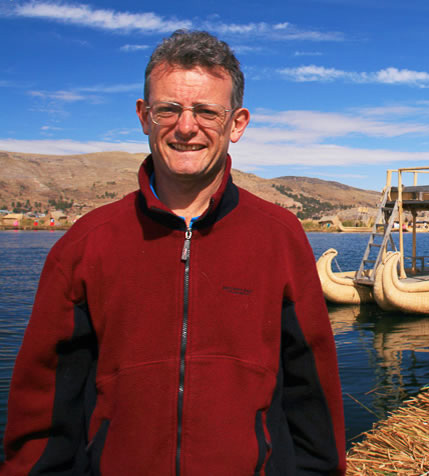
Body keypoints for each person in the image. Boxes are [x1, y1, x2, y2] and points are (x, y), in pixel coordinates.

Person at [2, 30, 345, 475]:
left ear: (236, 123)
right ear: (144, 116)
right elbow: (43, 406)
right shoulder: (86, 243)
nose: (186, 127)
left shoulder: (280, 236)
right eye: (169, 109)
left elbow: (311, 391)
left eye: (206, 111)